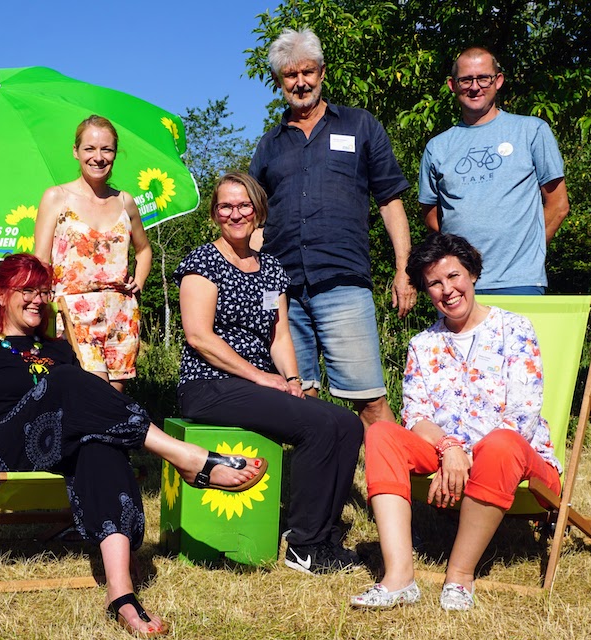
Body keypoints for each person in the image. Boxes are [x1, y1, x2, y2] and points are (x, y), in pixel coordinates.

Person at [0, 253, 266, 636]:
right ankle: (186, 456)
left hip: (56, 445)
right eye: (26, 290)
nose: (38, 300)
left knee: (100, 443)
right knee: (67, 380)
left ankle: (120, 593)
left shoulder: (58, 348)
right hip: (4, 449)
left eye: (44, 291)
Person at [350, 233, 562, 611]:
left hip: (517, 458)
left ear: (473, 275)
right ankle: (399, 578)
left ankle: (460, 576)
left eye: (454, 276)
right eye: (434, 283)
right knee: (382, 433)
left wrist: (469, 455)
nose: (447, 290)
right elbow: (416, 415)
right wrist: (450, 449)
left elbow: (523, 414)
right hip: (446, 453)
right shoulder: (423, 344)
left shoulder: (514, 329)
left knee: (501, 443)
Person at [175, 172, 363, 575]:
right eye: (226, 206)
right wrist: (262, 378)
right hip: (209, 384)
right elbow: (199, 337)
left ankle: (325, 536)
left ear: (258, 210)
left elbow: (279, 336)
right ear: (214, 213)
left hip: (259, 385)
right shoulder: (202, 262)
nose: (235, 213)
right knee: (315, 427)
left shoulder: (272, 268)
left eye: (244, 205)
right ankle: (304, 546)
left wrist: (294, 382)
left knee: (346, 423)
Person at [249, 28, 416, 429]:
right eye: (290, 75)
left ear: (322, 72)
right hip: (281, 288)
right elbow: (252, 221)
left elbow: (390, 200)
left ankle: (392, 487)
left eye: (308, 72)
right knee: (298, 398)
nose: (300, 82)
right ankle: (314, 490)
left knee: (370, 400)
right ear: (278, 82)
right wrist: (252, 281)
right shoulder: (268, 145)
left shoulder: (360, 126)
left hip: (343, 281)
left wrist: (403, 269)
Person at [419, 47, 569, 295]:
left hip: (520, 282)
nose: (475, 87)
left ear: (498, 81)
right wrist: (456, 258)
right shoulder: (437, 147)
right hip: (457, 288)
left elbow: (558, 205)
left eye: (483, 78)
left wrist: (528, 254)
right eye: (466, 79)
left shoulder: (531, 131)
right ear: (452, 85)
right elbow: (431, 215)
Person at [35, 115, 152, 393]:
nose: (98, 157)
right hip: (73, 314)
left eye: (106, 149)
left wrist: (140, 282)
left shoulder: (125, 201)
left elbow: (144, 249)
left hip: (121, 314)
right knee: (93, 393)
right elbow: (40, 259)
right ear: (76, 152)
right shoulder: (56, 197)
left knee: (112, 402)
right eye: (90, 149)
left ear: (115, 153)